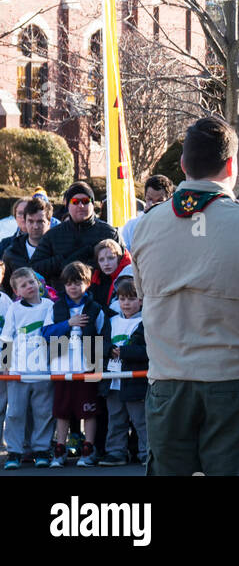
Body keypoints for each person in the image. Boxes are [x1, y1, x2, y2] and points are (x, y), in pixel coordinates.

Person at [131, 116, 239, 476]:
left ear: (182, 165)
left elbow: (145, 296)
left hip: (169, 384)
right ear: (231, 164)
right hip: (238, 380)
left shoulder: (146, 226)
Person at [41, 261, 110, 467]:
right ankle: (60, 449)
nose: (73, 287)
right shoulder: (57, 307)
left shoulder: (95, 309)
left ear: (87, 284)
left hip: (86, 368)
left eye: (78, 282)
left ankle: (88, 448)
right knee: (62, 411)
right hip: (62, 368)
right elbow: (45, 332)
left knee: (88, 410)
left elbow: (103, 336)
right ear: (64, 285)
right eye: (69, 283)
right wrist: (67, 324)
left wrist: (97, 362)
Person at [1, 267, 54, 469]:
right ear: (17, 291)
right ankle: (14, 452)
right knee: (15, 413)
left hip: (42, 371)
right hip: (17, 371)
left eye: (31, 282)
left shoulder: (49, 305)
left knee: (43, 412)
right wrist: (5, 364)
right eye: (24, 285)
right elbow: (6, 337)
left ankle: (41, 449)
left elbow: (52, 334)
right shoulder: (14, 309)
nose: (29, 287)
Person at [29, 182, 119, 283]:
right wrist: (64, 260)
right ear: (68, 205)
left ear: (92, 204)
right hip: (62, 295)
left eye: (85, 201)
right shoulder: (53, 235)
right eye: (75, 201)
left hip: (101, 294)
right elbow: (34, 267)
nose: (81, 206)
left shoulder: (108, 233)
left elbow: (123, 264)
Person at [100, 278, 148, 467]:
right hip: (113, 380)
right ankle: (116, 452)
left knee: (141, 420)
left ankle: (147, 452)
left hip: (135, 380)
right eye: (122, 299)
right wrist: (108, 349)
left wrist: (125, 352)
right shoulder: (111, 320)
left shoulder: (147, 321)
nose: (126, 303)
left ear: (141, 301)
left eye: (131, 299)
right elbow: (101, 343)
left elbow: (149, 350)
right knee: (116, 419)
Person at [2, 196, 48, 295]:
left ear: (49, 223)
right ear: (25, 221)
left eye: (40, 221)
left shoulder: (58, 250)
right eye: (31, 221)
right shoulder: (11, 252)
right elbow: (6, 286)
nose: (35, 226)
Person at [118, 175, 174, 252]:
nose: (153, 204)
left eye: (159, 201)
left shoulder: (174, 225)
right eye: (150, 199)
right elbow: (125, 256)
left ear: (169, 199)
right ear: (145, 197)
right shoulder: (131, 226)